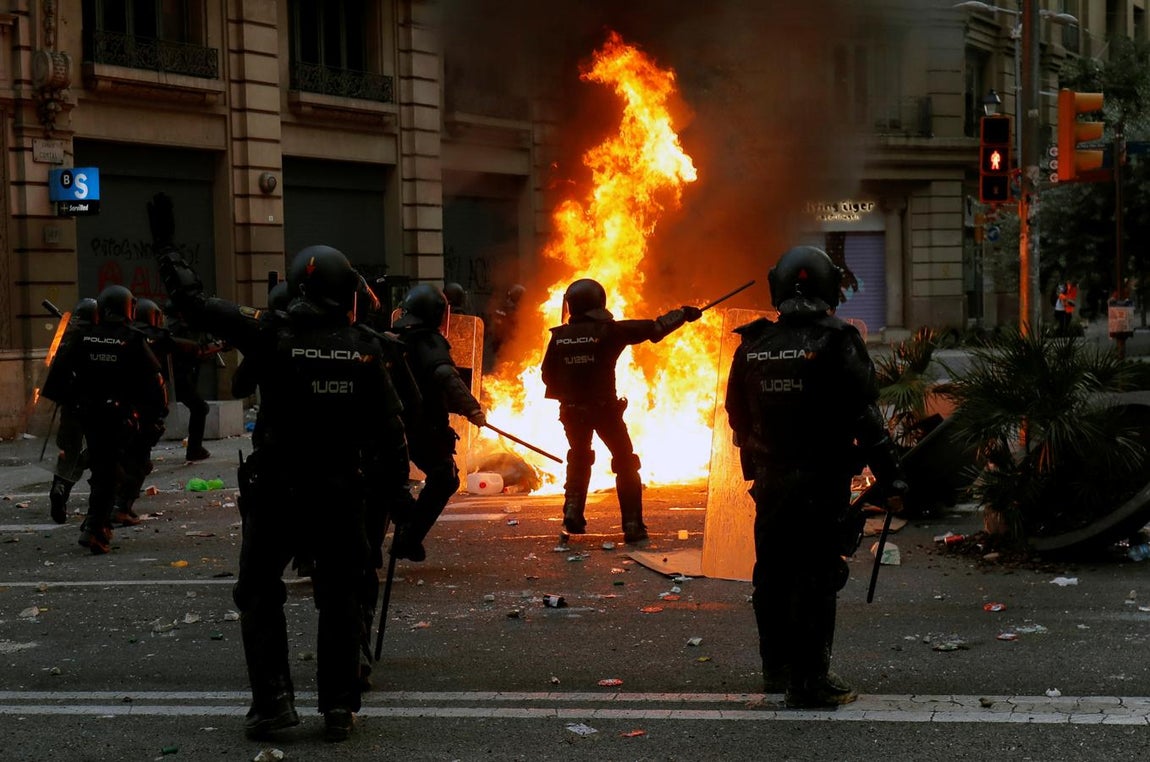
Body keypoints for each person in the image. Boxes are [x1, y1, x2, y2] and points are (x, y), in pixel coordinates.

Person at [153, 230, 413, 743]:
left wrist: (167, 247)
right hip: (340, 491)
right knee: (339, 596)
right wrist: (398, 493)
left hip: (279, 490)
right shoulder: (365, 347)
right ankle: (338, 707)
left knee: (258, 593)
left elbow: (193, 302)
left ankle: (273, 704)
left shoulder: (269, 331)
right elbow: (391, 433)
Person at [725, 245, 907, 709]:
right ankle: (810, 682)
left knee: (772, 574)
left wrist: (762, 463)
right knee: (816, 576)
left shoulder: (753, 344)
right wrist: (892, 479)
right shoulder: (837, 340)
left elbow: (736, 420)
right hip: (819, 482)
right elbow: (865, 418)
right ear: (830, 286)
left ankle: (778, 669)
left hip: (769, 484)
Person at [540, 278, 701, 544]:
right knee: (625, 462)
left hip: (571, 410)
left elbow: (547, 376)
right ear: (598, 301)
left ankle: (572, 513)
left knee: (579, 458)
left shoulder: (558, 338)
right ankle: (633, 524)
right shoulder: (609, 331)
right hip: (604, 409)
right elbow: (654, 328)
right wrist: (683, 314)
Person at [41, 285, 168, 554]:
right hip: (120, 417)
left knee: (103, 469)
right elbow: (155, 383)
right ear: (126, 308)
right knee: (112, 472)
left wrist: (76, 401)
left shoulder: (83, 338)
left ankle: (93, 522)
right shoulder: (132, 339)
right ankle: (95, 528)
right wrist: (155, 416)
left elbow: (54, 382)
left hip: (89, 415)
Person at [389, 283, 486, 562]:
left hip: (392, 425)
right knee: (444, 477)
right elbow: (445, 376)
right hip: (421, 427)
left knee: (389, 481)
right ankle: (409, 535)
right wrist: (473, 409)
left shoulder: (393, 340)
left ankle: (402, 526)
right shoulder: (429, 341)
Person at [43, 297, 98, 524]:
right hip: (93, 407)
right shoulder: (97, 339)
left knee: (69, 452)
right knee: (97, 453)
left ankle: (60, 488)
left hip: (69, 408)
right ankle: (94, 505)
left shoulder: (65, 341)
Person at [164, 302, 225, 461]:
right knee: (199, 408)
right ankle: (194, 449)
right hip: (176, 376)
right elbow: (196, 350)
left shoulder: (167, 326)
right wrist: (221, 345)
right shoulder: (180, 328)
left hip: (164, 376)